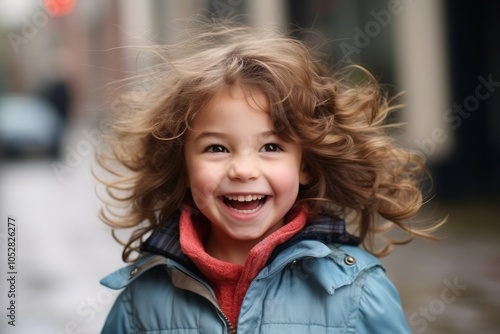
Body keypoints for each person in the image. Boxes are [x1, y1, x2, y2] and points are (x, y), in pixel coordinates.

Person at [97, 19, 441, 333]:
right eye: (216, 148)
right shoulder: (141, 299)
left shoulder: (358, 292)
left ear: (304, 164)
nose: (243, 170)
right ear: (183, 167)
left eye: (271, 147)